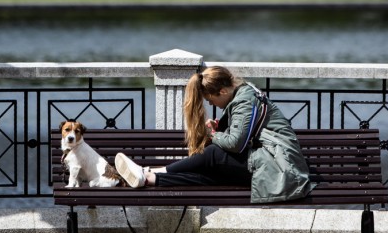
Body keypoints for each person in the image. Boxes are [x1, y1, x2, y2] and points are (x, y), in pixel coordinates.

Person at [115, 65, 314, 203]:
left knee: (212, 154)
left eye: (210, 100)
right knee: (209, 175)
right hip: (271, 163)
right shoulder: (242, 96)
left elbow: (236, 144)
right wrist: (220, 130)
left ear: (222, 92)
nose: (211, 105)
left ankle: (151, 171)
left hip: (282, 169)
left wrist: (213, 133)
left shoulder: (244, 101)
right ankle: (150, 179)